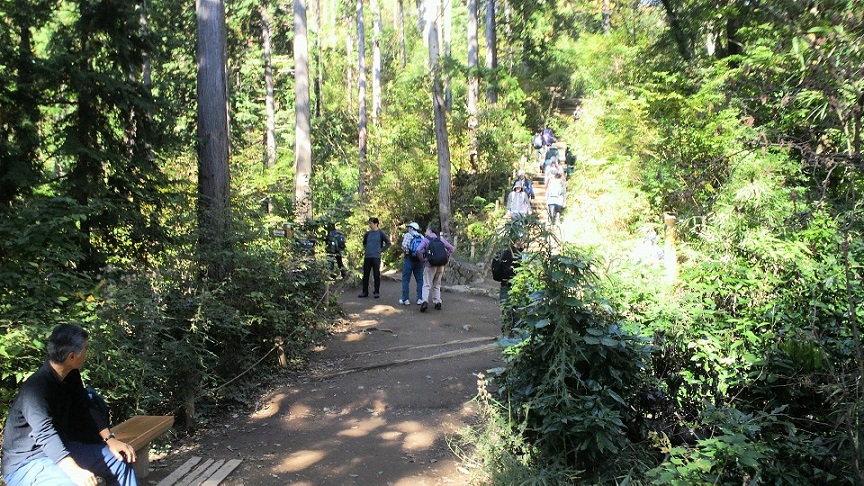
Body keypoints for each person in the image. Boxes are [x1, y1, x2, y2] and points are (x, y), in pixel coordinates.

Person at [1, 324, 139, 486]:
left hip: (60, 448)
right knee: (74, 483)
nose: (87, 353)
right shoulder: (36, 388)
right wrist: (74, 470)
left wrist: (110, 440)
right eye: (86, 349)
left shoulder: (71, 375)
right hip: (26, 462)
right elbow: (45, 433)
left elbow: (86, 405)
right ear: (72, 357)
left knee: (120, 461)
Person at [416, 223, 455, 312]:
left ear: (429, 231)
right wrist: (446, 256)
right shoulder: (441, 239)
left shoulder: (426, 240)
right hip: (441, 265)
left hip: (430, 264)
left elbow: (418, 250)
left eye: (426, 230)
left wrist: (423, 259)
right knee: (437, 284)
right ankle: (437, 302)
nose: (425, 232)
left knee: (427, 284)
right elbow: (451, 248)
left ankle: (425, 301)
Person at [358, 217, 391, 298]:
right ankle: (365, 292)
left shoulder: (380, 233)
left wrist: (380, 250)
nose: (370, 225)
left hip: (376, 257)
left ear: (376, 224)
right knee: (366, 275)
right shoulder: (367, 234)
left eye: (371, 223)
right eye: (369, 223)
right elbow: (364, 243)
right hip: (367, 257)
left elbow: (388, 243)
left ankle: (376, 292)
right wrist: (366, 249)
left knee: (376, 274)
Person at [399, 222, 424, 305]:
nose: (408, 229)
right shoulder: (421, 236)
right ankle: (420, 298)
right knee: (420, 280)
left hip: (409, 259)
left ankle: (405, 299)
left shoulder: (408, 235)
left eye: (409, 227)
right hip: (419, 261)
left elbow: (404, 246)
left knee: (406, 279)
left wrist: (407, 252)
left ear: (412, 228)